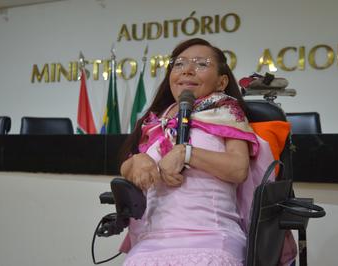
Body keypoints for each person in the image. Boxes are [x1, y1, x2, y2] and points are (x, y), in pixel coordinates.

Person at [119, 38, 296, 265]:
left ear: (221, 82)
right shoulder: (155, 122)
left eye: (201, 64)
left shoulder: (227, 114)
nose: (188, 71)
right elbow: (127, 166)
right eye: (179, 64)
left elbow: (238, 168)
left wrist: (186, 153)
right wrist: (137, 162)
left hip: (211, 236)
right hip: (152, 240)